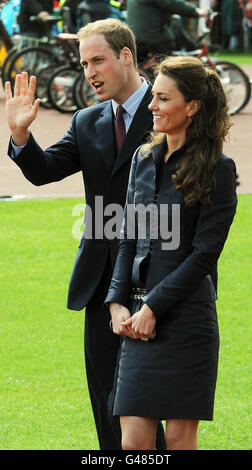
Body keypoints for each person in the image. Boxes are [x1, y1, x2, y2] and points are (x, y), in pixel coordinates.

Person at [5, 18, 167, 451]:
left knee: (144, 403)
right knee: (107, 402)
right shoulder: (87, 119)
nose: (90, 72)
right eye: (83, 64)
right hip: (97, 283)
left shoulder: (168, 107)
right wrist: (21, 135)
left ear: (126, 56)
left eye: (98, 60)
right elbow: (46, 171)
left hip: (154, 276)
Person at [105, 56, 238, 450]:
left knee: (180, 441)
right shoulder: (142, 159)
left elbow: (204, 254)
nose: (151, 106)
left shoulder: (218, 167)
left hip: (187, 321)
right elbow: (127, 237)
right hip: (137, 318)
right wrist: (117, 303)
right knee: (133, 444)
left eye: (162, 98)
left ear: (192, 106)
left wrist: (153, 309)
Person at [126, 0, 209, 56]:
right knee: (170, 64)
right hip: (153, 35)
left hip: (135, 34)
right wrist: (196, 11)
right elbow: (173, 3)